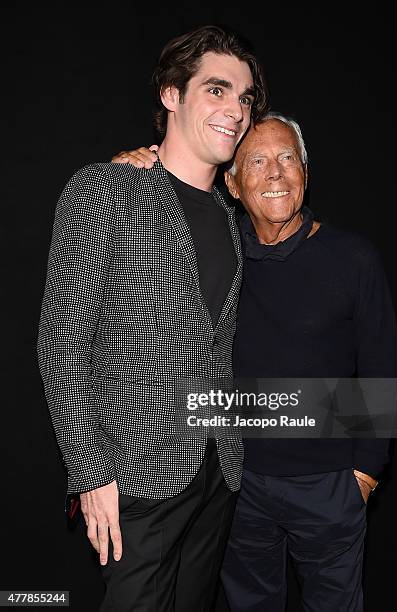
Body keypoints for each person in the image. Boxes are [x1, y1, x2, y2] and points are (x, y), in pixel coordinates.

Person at [115, 112, 397, 611]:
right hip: (239, 487)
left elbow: (383, 370)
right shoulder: (221, 253)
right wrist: (132, 172)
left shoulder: (354, 258)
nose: (275, 173)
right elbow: (157, 228)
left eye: (288, 158)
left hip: (329, 485)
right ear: (232, 183)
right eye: (257, 161)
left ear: (305, 174)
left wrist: (365, 475)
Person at [37, 25, 268, 612]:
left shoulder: (226, 212)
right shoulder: (105, 190)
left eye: (244, 98)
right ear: (172, 94)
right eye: (217, 90)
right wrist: (92, 475)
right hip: (136, 478)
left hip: (218, 472)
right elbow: (62, 348)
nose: (235, 112)